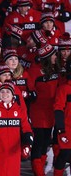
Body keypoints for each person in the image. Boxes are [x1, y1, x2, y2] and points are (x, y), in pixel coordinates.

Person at [0, 81, 33, 176]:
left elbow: (26, 129)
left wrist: (27, 144)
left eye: (8, 91)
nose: (4, 94)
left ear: (13, 95)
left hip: (13, 154)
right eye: (2, 91)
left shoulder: (20, 111)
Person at [28, 43, 60, 175]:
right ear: (47, 57)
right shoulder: (34, 70)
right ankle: (38, 172)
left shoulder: (56, 70)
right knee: (38, 142)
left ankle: (39, 170)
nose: (55, 57)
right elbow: (30, 90)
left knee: (46, 142)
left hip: (50, 113)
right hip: (38, 113)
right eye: (53, 55)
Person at [53, 61, 71, 175]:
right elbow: (58, 108)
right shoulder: (64, 88)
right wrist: (60, 128)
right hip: (67, 128)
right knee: (64, 154)